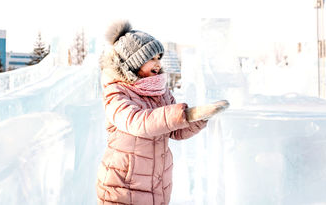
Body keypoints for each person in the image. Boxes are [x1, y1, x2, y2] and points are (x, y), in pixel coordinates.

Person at [96, 21, 228, 205]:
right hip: (122, 187)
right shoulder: (117, 92)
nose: (158, 63)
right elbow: (137, 122)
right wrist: (185, 115)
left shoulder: (161, 91)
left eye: (159, 57)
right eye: (152, 58)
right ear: (134, 61)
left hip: (156, 185)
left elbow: (175, 130)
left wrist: (199, 117)